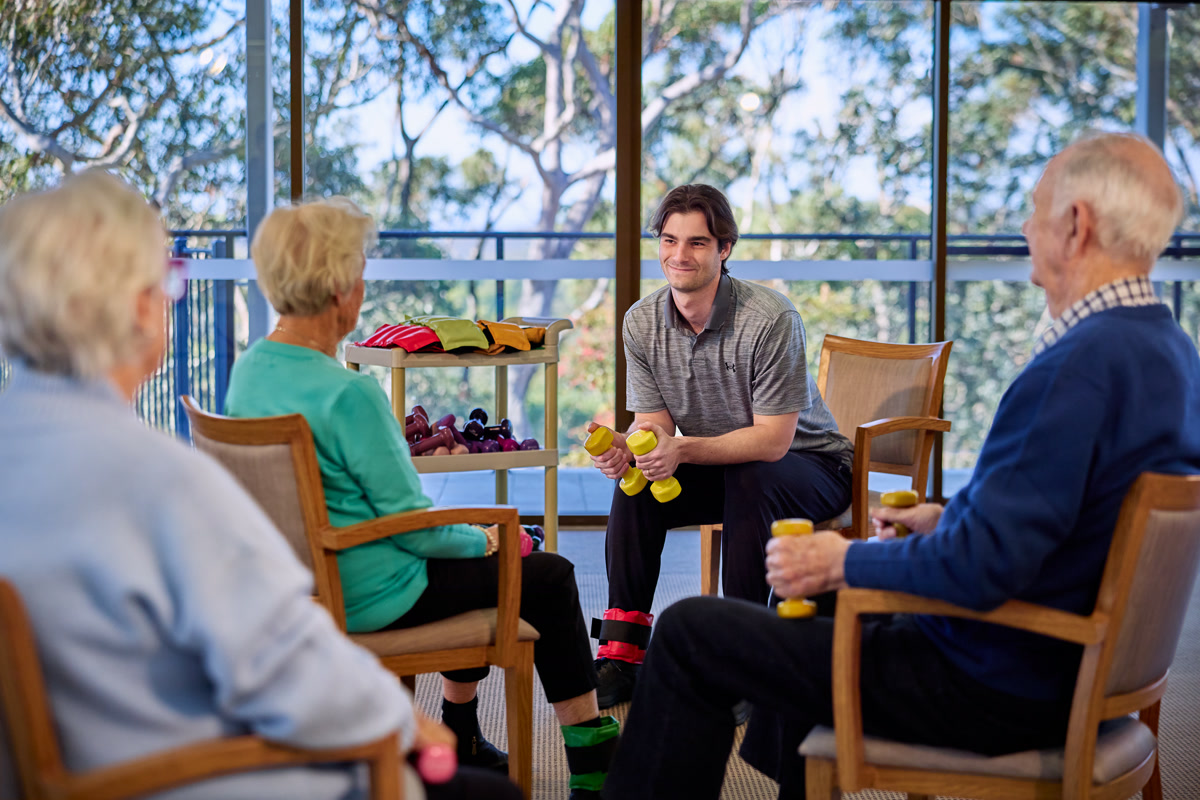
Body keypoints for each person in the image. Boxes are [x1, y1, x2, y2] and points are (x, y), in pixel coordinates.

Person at [601, 132, 1200, 799]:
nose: (1025, 229)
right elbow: (1064, 516)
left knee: (693, 632)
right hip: (1064, 668)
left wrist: (843, 559)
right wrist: (944, 517)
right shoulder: (1170, 351)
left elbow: (981, 568)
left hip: (988, 678)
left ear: (1076, 225)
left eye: (1033, 209)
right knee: (808, 613)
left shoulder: (1073, 371)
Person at [0, 170, 521, 800]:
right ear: (138, 305)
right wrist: (398, 719)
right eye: (168, 281)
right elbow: (281, 674)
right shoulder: (156, 480)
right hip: (187, 772)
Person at [223, 197, 617, 800]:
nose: (361, 285)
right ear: (337, 289)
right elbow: (416, 529)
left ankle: (461, 731)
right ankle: (597, 772)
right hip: (372, 592)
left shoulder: (250, 370)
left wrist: (470, 540)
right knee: (549, 573)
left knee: (480, 551)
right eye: (357, 271)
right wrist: (484, 538)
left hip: (301, 587)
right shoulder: (349, 395)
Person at [587, 184, 853, 708]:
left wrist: (680, 451)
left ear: (724, 249)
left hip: (813, 465)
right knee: (635, 488)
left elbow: (774, 443)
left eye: (698, 243)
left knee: (752, 477)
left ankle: (745, 662)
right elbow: (655, 430)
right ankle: (620, 657)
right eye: (668, 240)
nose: (679, 256)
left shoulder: (770, 318)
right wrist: (631, 449)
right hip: (733, 466)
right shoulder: (641, 322)